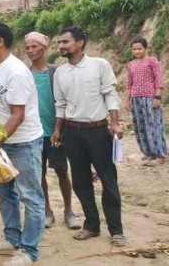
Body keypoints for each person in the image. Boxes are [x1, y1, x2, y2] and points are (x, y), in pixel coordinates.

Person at [52, 26, 126, 247]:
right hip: (72, 133)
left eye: (65, 42)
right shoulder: (60, 73)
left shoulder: (99, 65)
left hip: (97, 131)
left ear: (80, 42)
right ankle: (91, 225)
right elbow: (60, 104)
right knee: (81, 182)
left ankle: (116, 230)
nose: (61, 46)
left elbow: (110, 94)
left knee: (108, 181)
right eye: (59, 43)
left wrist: (114, 122)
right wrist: (58, 129)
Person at [0, 23, 45, 266]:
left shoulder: (16, 71)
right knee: (5, 192)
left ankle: (29, 251)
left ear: (0, 42)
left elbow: (18, 115)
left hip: (22, 143)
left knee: (30, 196)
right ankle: (11, 239)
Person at [24, 32, 80, 230]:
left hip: (55, 132)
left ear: (44, 49)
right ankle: (47, 211)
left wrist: (60, 128)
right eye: (28, 47)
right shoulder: (24, 74)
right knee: (39, 175)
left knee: (62, 171)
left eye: (34, 47)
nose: (30, 51)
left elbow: (64, 102)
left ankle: (69, 211)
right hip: (33, 134)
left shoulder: (56, 72)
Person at [124, 38, 166, 166]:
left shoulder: (152, 61)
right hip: (136, 99)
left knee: (153, 126)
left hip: (150, 98)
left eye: (139, 48)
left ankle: (159, 155)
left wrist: (157, 97)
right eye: (134, 49)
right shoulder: (131, 64)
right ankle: (148, 153)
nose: (137, 51)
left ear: (146, 49)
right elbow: (130, 84)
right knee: (140, 127)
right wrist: (127, 100)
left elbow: (159, 80)